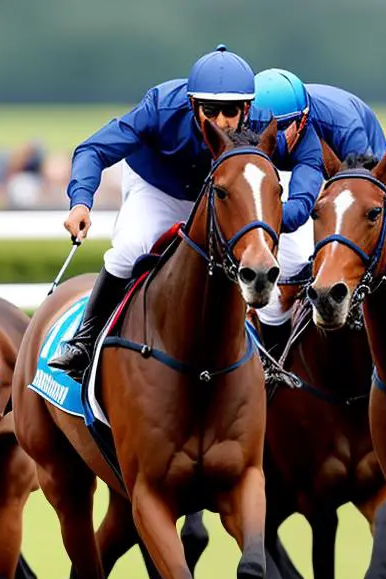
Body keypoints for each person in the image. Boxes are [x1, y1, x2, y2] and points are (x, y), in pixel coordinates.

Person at [49, 45, 324, 382]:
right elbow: (93, 149)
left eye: (232, 112)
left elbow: (308, 153)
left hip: (223, 194)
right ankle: (86, 341)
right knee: (130, 248)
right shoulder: (160, 107)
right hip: (158, 186)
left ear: (247, 107)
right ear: (193, 104)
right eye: (211, 111)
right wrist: (80, 201)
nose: (222, 122)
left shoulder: (264, 121)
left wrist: (288, 214)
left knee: (264, 265)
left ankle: (274, 365)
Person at [252, 68, 386, 350]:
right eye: (260, 129)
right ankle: (273, 360)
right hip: (304, 160)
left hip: (356, 160)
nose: (270, 139)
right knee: (283, 276)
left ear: (301, 123)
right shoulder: (269, 127)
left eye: (281, 129)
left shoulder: (343, 129)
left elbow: (353, 199)